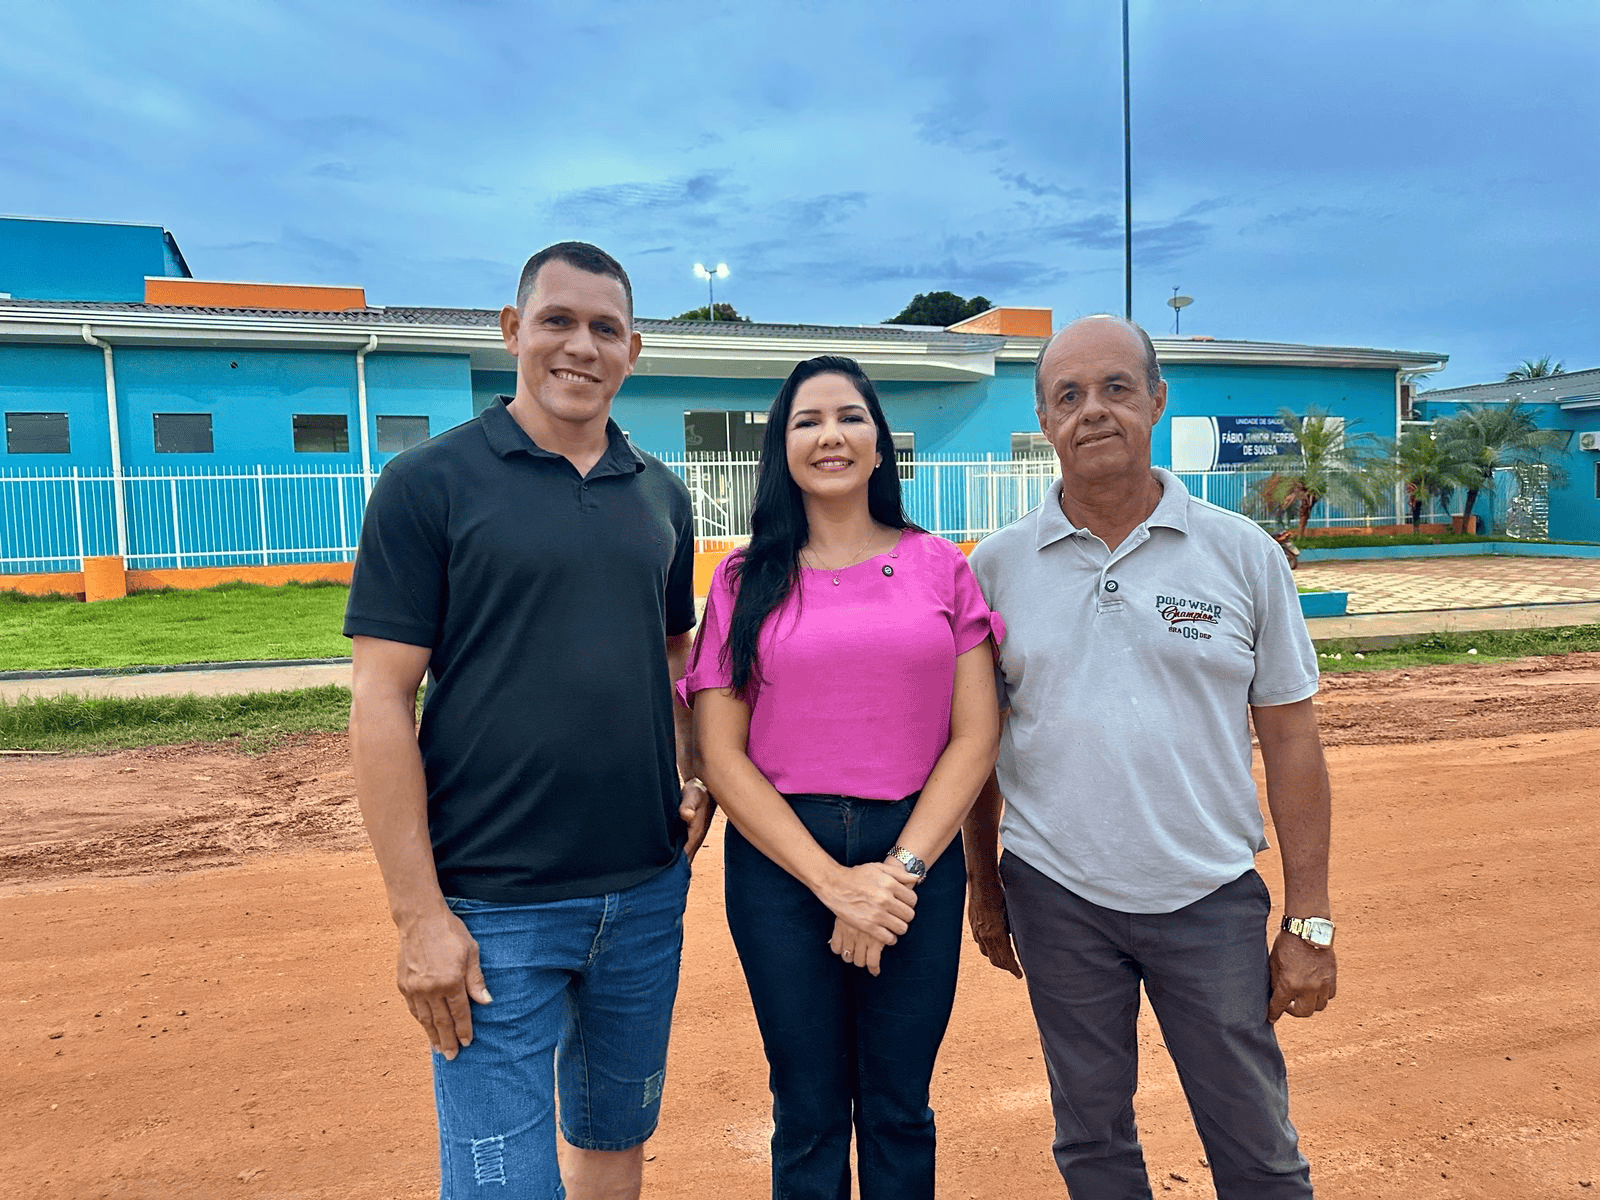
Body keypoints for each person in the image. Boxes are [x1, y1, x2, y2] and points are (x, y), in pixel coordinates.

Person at [343, 241, 711, 1200]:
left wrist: (687, 772)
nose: (579, 346)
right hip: (492, 908)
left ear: (634, 347)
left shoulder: (661, 497)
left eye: (604, 328)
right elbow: (383, 697)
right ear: (513, 330)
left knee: (615, 1138)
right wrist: (419, 915)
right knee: (502, 1181)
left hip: (641, 896)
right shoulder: (430, 484)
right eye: (557, 320)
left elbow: (674, 653)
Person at [964, 315, 1337, 1199]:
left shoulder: (1241, 554)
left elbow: (1291, 739)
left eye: (1116, 389)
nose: (1093, 411)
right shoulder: (996, 569)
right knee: (1092, 1143)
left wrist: (1310, 920)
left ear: (1157, 401)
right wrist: (987, 891)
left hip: (1208, 898)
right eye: (1069, 396)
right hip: (1057, 900)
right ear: (1045, 421)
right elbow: (974, 749)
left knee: (1257, 1147)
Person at [681, 355, 1001, 1200]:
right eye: (807, 420)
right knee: (810, 1108)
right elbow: (721, 755)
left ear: (880, 441)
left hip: (915, 864)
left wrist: (895, 876)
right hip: (783, 870)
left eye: (850, 416)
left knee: (900, 1108)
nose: (831, 435)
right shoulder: (744, 580)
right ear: (781, 448)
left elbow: (977, 735)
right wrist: (834, 887)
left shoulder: (942, 567)